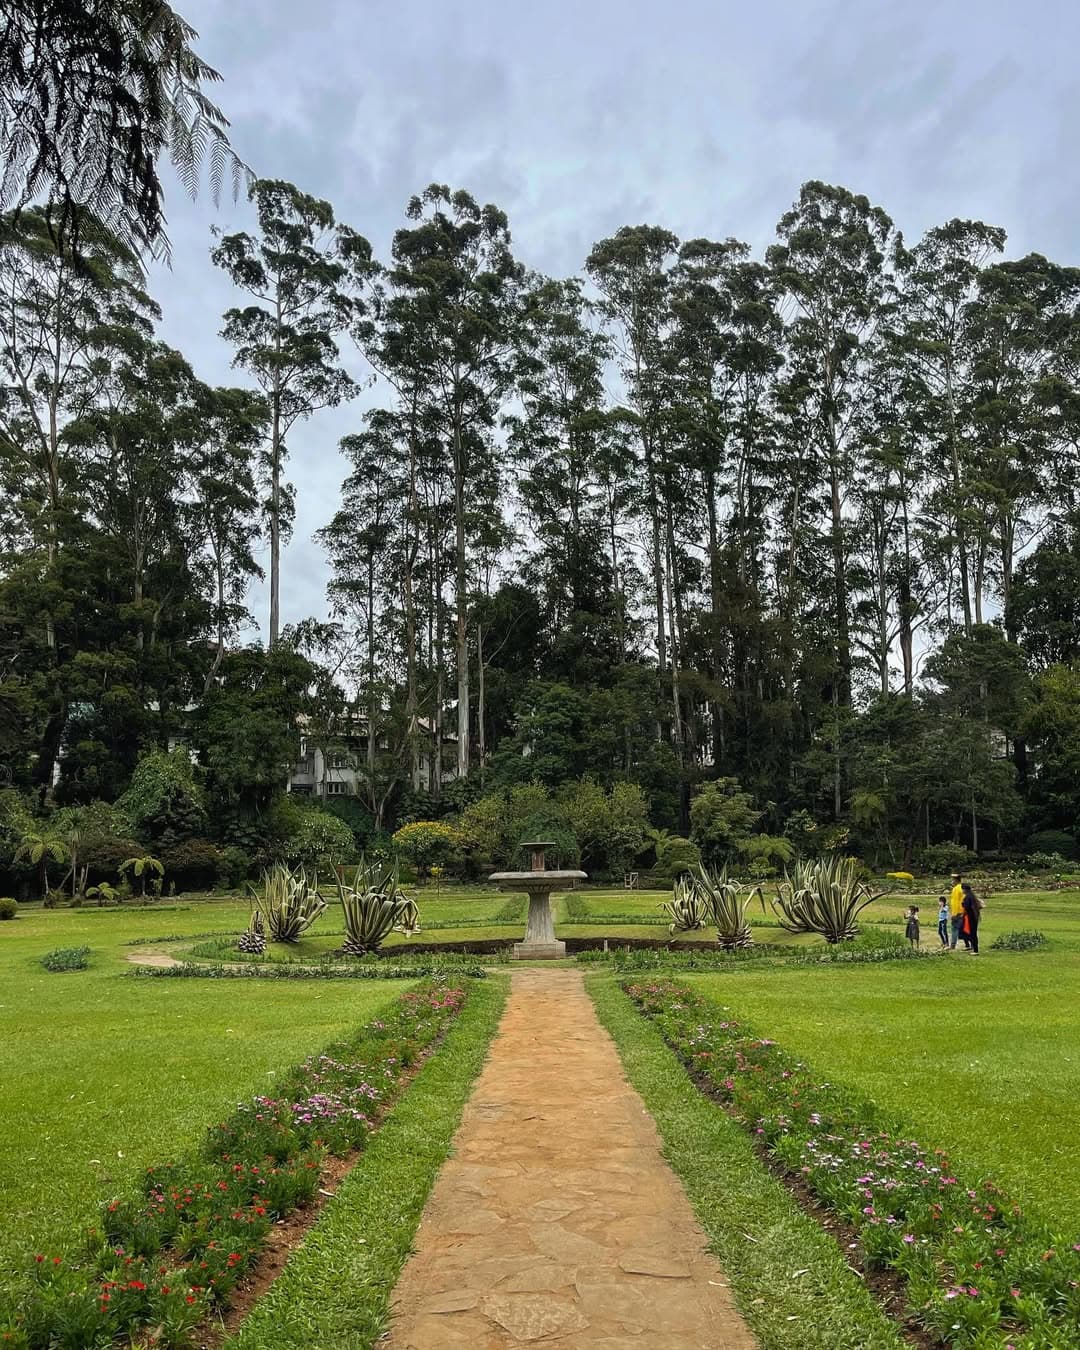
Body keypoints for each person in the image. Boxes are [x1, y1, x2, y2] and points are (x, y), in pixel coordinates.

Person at [961, 881, 983, 955]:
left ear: (965, 889)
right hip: (974, 917)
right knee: (972, 933)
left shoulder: (968, 897)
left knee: (972, 933)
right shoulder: (972, 896)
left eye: (962, 889)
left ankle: (975, 950)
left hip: (971, 917)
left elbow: (967, 907)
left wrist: (963, 904)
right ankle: (973, 947)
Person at [948, 873, 968, 950]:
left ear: (956, 880)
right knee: (963, 929)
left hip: (958, 913)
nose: (952, 881)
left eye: (953, 880)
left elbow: (958, 902)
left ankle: (953, 945)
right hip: (959, 912)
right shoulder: (960, 888)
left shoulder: (957, 889)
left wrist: (955, 913)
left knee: (955, 929)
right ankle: (968, 944)